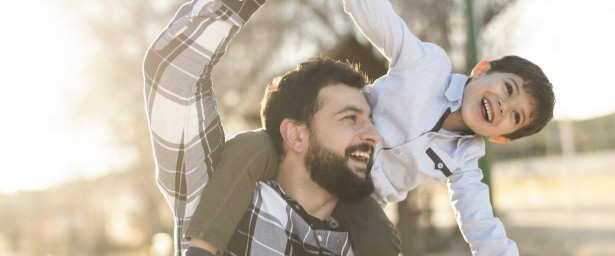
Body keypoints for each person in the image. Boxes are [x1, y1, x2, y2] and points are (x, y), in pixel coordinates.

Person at [184, 0, 556, 255]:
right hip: (321, 148)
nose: (504, 106)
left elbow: (481, 224)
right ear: (482, 69)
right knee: (249, 148)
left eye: (515, 116)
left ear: (503, 137)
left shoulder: (463, 162)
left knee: (380, 238)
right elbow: (384, 24)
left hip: (359, 192)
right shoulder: (427, 67)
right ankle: (201, 247)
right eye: (508, 90)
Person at [143, 0, 399, 255]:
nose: (374, 135)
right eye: (350, 118)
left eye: (370, 121)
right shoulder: (218, 197)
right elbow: (173, 72)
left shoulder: (365, 243)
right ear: (296, 135)